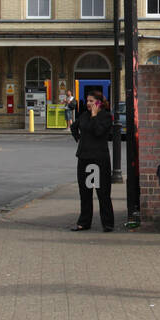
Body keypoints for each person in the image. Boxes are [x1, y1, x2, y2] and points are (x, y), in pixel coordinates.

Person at [69, 92, 114, 232]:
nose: (88, 103)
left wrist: (94, 116)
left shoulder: (105, 117)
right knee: (85, 192)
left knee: (102, 192)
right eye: (87, 101)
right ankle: (84, 222)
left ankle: (107, 223)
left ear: (99, 103)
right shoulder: (83, 115)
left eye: (91, 101)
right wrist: (79, 139)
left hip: (99, 160)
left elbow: (99, 132)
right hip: (85, 159)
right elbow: (74, 126)